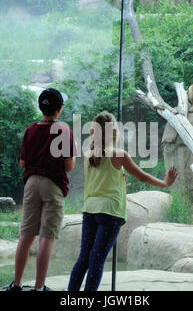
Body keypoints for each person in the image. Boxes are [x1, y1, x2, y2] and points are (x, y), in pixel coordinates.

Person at [68, 111, 178, 291]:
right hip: (110, 212)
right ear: (114, 132)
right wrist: (165, 183)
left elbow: (101, 180)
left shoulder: (87, 154)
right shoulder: (119, 155)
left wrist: (118, 183)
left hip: (90, 211)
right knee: (97, 261)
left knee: (84, 259)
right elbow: (142, 177)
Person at [7, 88, 77, 291]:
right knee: (47, 236)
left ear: (40, 107)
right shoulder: (64, 131)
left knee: (26, 235)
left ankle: (17, 285)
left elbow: (22, 163)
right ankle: (38, 288)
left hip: (31, 184)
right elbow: (69, 166)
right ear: (60, 109)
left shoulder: (30, 130)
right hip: (53, 185)